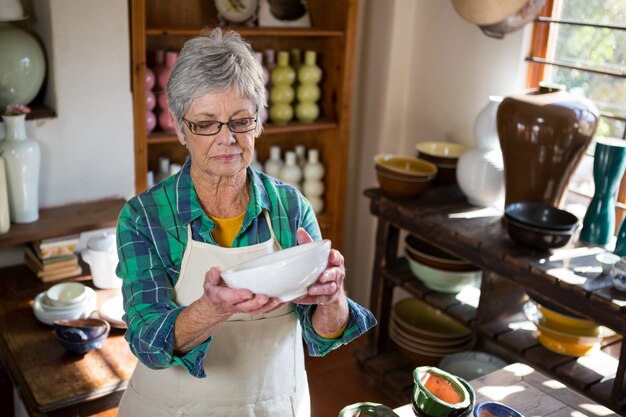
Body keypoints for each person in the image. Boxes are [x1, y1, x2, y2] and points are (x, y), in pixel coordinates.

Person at [115, 28, 377, 417]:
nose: (227, 139)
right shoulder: (144, 218)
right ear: (179, 127)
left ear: (259, 121)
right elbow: (147, 341)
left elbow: (323, 335)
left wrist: (332, 298)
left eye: (240, 120)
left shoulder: (290, 207)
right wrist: (211, 309)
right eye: (206, 123)